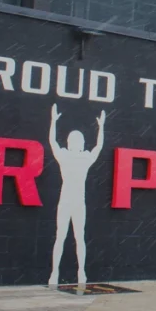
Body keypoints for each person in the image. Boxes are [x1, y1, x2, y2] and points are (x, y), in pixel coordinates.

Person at [47, 103, 105, 288]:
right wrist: (53, 121)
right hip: (69, 201)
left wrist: (102, 128)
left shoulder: (81, 158)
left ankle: (80, 272)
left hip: (75, 202)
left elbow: (98, 147)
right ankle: (56, 273)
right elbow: (53, 143)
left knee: (73, 237)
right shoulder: (71, 157)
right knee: (65, 237)